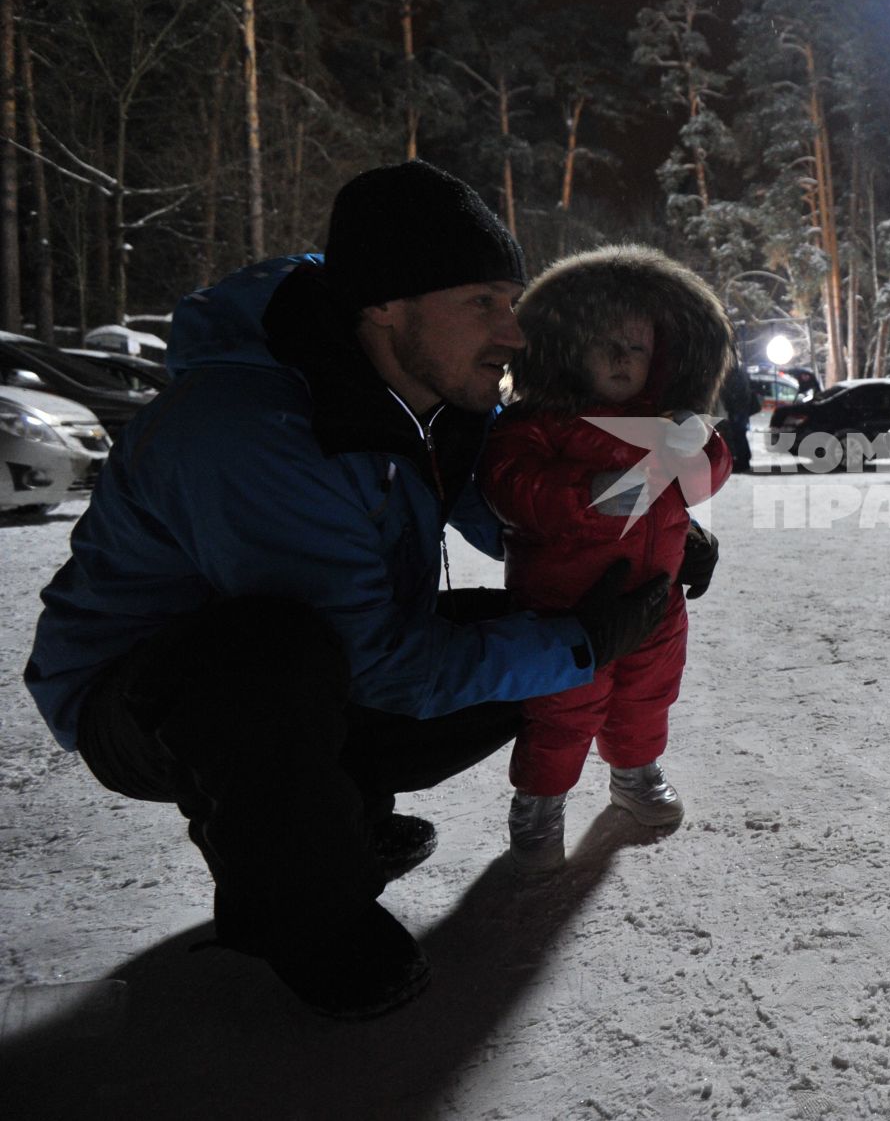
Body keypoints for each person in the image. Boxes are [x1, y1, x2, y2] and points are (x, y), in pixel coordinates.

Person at [22, 161, 685, 1019]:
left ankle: (341, 815)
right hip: (148, 697)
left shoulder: (429, 393)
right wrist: (585, 643)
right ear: (385, 306)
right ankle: (310, 921)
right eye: (482, 301)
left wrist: (649, 538)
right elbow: (378, 668)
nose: (514, 332)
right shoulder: (250, 429)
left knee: (535, 630)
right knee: (273, 659)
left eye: (511, 300)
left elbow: (513, 516)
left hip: (326, 659)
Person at [478, 246, 733, 873]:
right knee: (561, 709)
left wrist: (702, 446)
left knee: (647, 696)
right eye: (606, 343)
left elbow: (701, 483)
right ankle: (539, 804)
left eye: (638, 347)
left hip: (655, 600)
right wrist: (590, 497)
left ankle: (635, 773)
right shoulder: (539, 422)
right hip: (566, 609)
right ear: (568, 346)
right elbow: (511, 485)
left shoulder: (662, 420)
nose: (623, 359)